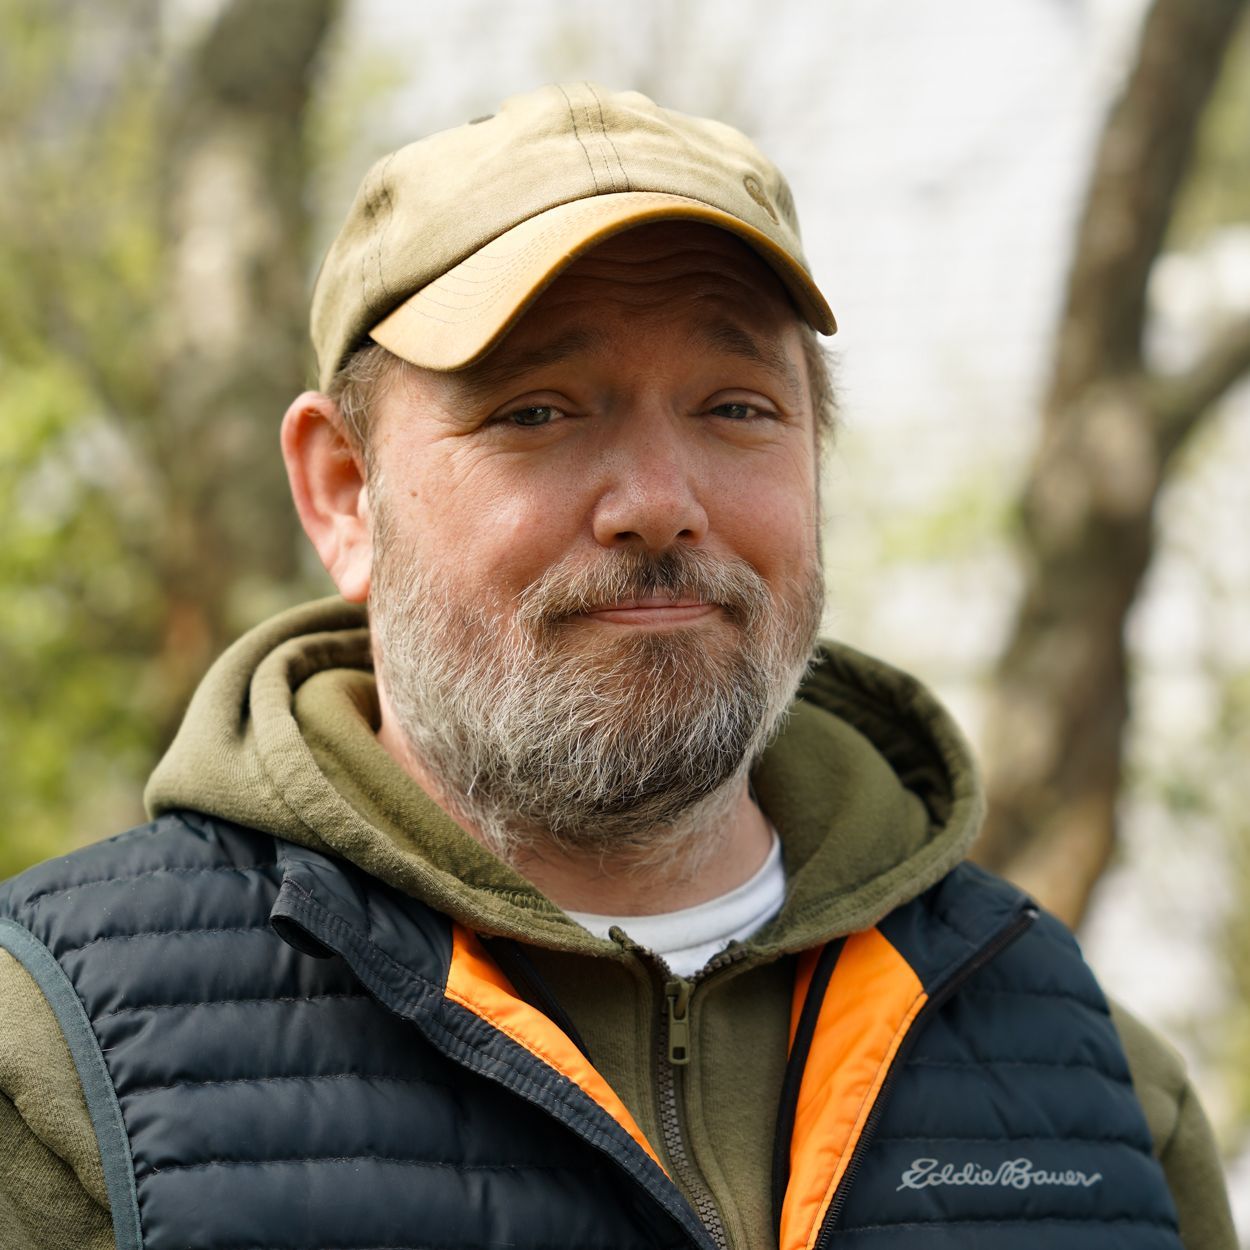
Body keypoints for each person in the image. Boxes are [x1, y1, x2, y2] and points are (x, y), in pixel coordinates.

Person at [0, 83, 1235, 1250]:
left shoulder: (1088, 1078)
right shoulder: (56, 1061)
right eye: (537, 408)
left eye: (736, 407)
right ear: (342, 493)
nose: (657, 503)